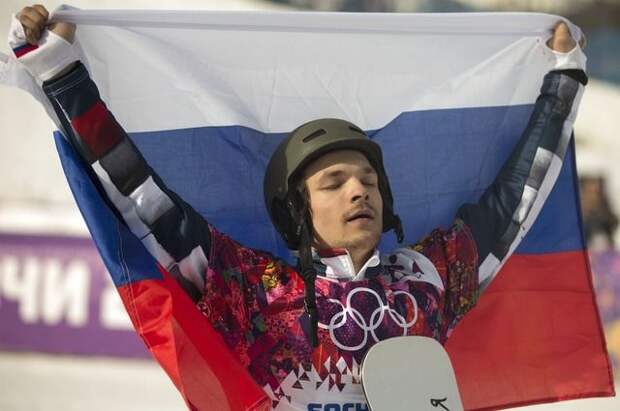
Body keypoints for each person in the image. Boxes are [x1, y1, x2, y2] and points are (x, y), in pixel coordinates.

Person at [11, 5, 588, 410]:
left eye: (369, 181)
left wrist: (562, 82)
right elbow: (144, 199)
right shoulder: (251, 291)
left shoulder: (429, 277)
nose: (359, 191)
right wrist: (62, 77)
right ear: (297, 212)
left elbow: (513, 206)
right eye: (334, 183)